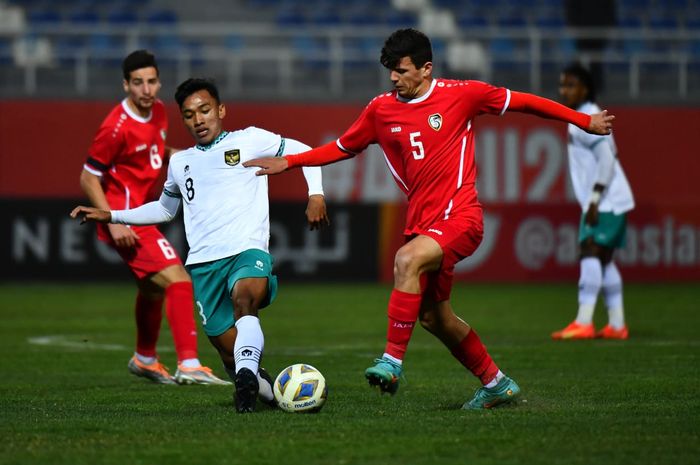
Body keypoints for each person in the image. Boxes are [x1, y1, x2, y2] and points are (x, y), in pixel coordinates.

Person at [244, 28, 615, 409]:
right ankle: (496, 383)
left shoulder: (462, 94)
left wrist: (583, 121)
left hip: (462, 217)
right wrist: (291, 161)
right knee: (436, 319)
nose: (393, 78)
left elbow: (524, 103)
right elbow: (342, 147)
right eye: (390, 70)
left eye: (401, 70)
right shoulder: (380, 110)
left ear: (426, 69)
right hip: (423, 224)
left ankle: (391, 361)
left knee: (406, 259)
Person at [72, 78, 329, 412]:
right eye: (190, 115)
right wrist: (112, 215)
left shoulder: (249, 139)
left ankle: (247, 378)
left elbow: (302, 150)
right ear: (184, 120)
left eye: (205, 110)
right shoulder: (180, 163)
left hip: (246, 251)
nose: (199, 119)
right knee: (229, 355)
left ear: (220, 110)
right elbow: (165, 209)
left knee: (245, 301)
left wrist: (316, 193)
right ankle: (265, 392)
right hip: (204, 266)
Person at [80, 50, 227, 385]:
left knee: (152, 290)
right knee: (178, 280)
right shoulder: (114, 128)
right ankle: (189, 363)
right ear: (126, 85)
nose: (146, 90)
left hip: (141, 216)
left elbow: (156, 152)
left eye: (151, 81)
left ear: (158, 82)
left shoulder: (160, 111)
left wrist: (189, 157)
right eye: (137, 83)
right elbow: (88, 178)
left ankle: (145, 358)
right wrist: (114, 221)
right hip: (125, 219)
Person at [552, 63, 634, 340]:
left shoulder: (587, 117)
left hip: (605, 201)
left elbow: (607, 161)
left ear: (585, 88)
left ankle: (584, 321)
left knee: (589, 252)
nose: (564, 90)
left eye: (570, 85)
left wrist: (596, 199)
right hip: (611, 199)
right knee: (605, 260)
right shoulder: (583, 115)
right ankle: (617, 324)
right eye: (563, 84)